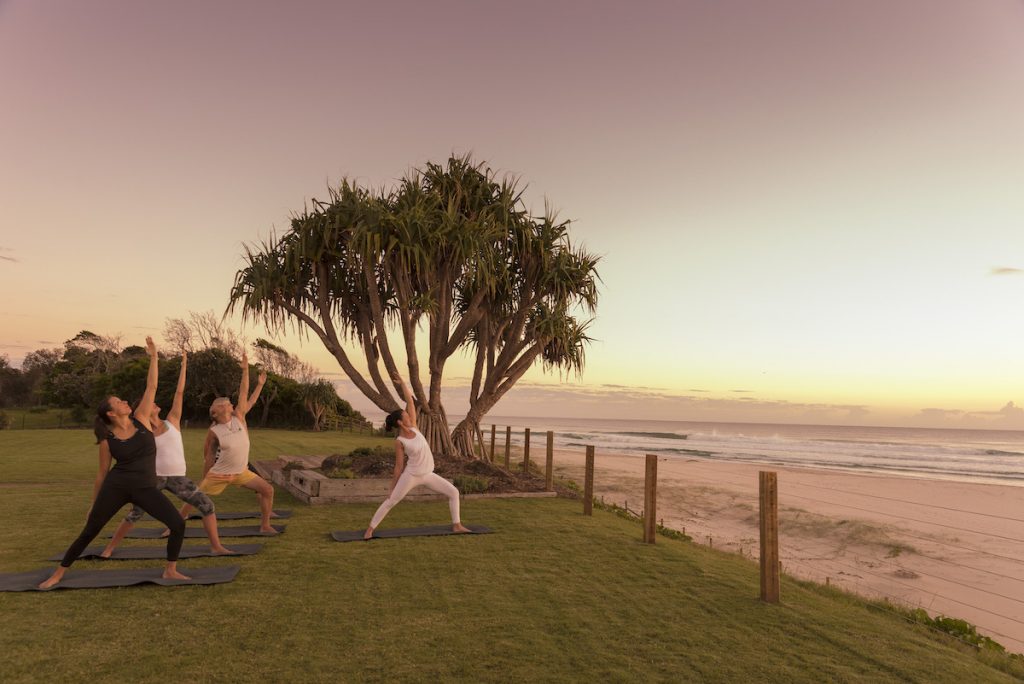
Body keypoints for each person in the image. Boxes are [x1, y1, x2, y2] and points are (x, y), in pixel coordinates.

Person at [39, 338, 188, 589]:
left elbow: (151, 386)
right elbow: (101, 474)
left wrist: (153, 357)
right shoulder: (108, 440)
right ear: (111, 413)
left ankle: (170, 570)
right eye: (119, 402)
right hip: (116, 487)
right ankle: (58, 573)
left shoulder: (141, 419)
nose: (124, 403)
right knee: (90, 531)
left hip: (145, 488)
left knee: (177, 524)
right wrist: (93, 504)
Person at [100, 351, 236, 557]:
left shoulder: (172, 420)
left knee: (207, 505)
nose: (155, 404)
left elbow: (179, 393)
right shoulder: (142, 428)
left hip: (177, 478)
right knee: (135, 513)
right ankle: (110, 548)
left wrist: (184, 365)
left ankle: (216, 546)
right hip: (152, 479)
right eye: (152, 404)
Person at [178, 352, 277, 534]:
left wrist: (247, 371)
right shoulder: (214, 431)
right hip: (220, 473)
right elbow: (208, 455)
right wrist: (206, 476)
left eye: (228, 403)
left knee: (268, 490)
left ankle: (265, 525)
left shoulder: (238, 416)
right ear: (214, 412)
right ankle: (177, 522)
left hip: (242, 472)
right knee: (194, 497)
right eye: (224, 404)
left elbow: (245, 393)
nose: (228, 404)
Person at [363, 372, 470, 539]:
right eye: (405, 415)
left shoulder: (414, 427)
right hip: (411, 476)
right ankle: (370, 529)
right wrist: (392, 487)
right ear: (400, 422)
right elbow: (398, 467)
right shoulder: (400, 441)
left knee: (454, 492)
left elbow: (410, 401)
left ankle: (457, 525)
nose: (408, 414)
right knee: (391, 501)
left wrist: (403, 383)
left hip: (427, 474)